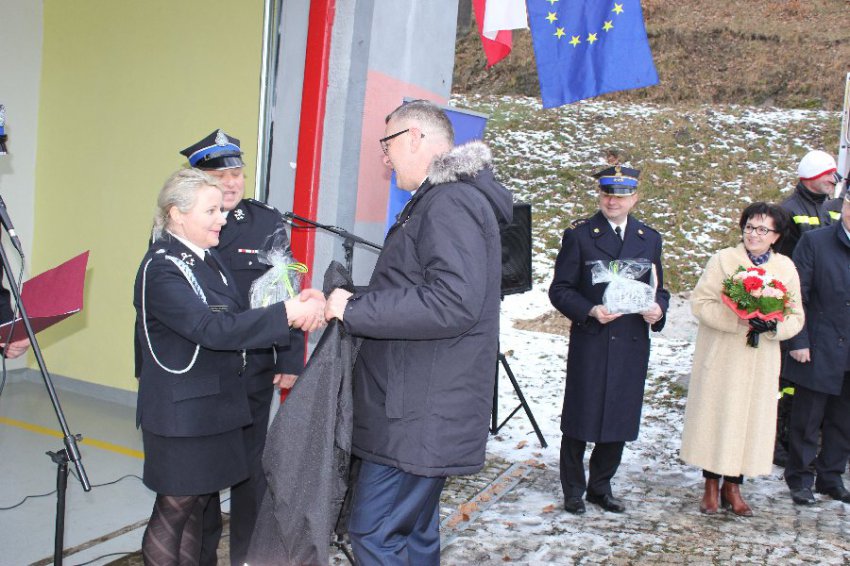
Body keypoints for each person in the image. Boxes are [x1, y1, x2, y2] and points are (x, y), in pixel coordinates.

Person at [324, 99, 512, 564]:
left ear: (413, 138)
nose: (384, 157)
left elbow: (452, 301)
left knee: (374, 533)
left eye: (386, 144)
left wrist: (355, 310)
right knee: (413, 535)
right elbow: (414, 289)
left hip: (418, 413)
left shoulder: (450, 201)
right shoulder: (446, 198)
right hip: (420, 407)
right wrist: (349, 298)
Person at [133, 168, 324, 565]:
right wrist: (286, 313)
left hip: (210, 407)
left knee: (195, 510)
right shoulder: (163, 266)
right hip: (182, 416)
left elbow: (239, 315)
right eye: (211, 211)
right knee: (173, 512)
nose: (222, 218)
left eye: (221, 209)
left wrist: (290, 306)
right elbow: (210, 328)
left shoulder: (207, 259)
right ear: (176, 214)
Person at [179, 130, 305, 565]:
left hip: (254, 368)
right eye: (220, 176)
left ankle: (248, 557)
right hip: (203, 370)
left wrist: (291, 356)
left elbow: (287, 290)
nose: (232, 183)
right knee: (203, 473)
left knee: (251, 470)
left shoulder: (265, 222)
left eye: (237, 173)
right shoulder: (183, 225)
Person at [549, 165, 669, 515]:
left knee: (619, 415)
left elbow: (659, 288)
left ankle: (601, 487)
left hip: (631, 342)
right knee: (579, 417)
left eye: (620, 196)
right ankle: (574, 489)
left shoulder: (649, 238)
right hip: (593, 338)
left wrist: (658, 310)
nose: (612, 202)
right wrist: (590, 310)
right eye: (606, 195)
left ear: (635, 198)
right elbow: (560, 289)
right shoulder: (580, 236)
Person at [679, 202, 804, 516]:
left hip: (760, 359)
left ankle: (733, 486)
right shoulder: (724, 260)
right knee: (717, 417)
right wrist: (736, 318)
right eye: (749, 227)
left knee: (747, 422)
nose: (754, 235)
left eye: (762, 229)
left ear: (776, 236)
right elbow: (701, 303)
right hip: (723, 354)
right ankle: (710, 484)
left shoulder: (785, 268)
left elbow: (796, 315)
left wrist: (772, 326)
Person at [773, 149, 843, 467]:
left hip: (819, 308)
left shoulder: (828, 208)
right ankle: (778, 441)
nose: (833, 179)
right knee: (785, 382)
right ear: (812, 176)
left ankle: (796, 440)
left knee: (803, 383)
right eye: (828, 174)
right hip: (794, 303)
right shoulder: (789, 210)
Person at [783, 191, 850, 506]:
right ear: (843, 205)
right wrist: (798, 341)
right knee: (807, 420)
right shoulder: (815, 242)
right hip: (819, 345)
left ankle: (831, 476)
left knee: (843, 419)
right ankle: (800, 478)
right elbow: (798, 295)